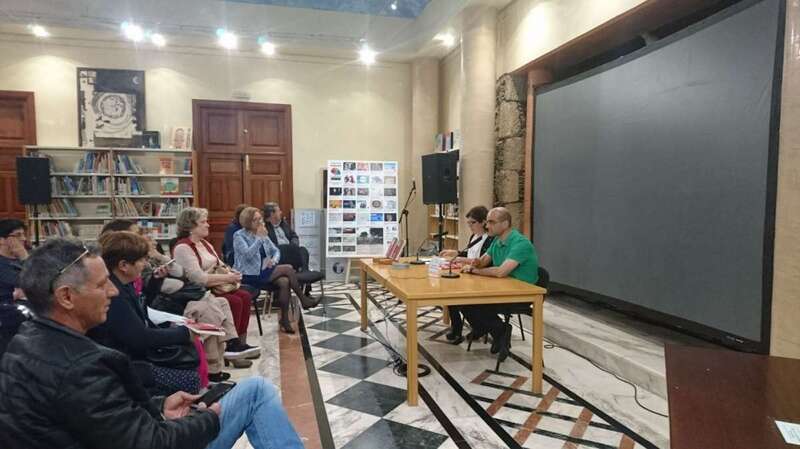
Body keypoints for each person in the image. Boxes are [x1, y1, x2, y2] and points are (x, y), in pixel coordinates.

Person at [0, 238, 304, 449]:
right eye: (102, 285)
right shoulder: (80, 368)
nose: (112, 292)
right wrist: (209, 418)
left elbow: (102, 421)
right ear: (66, 296)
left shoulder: (24, 343)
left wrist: (158, 407)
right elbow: (154, 443)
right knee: (256, 391)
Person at [88, 231, 201, 393]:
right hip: (124, 365)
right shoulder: (115, 295)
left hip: (131, 357)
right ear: (124, 265)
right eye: (141, 260)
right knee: (190, 379)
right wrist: (184, 333)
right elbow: (140, 337)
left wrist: (155, 282)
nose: (145, 264)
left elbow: (141, 311)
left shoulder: (124, 285)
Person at [173, 208, 258, 356]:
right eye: (203, 222)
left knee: (245, 296)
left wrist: (232, 272)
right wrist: (228, 278)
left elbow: (221, 264)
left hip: (218, 286)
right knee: (235, 301)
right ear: (190, 226)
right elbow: (199, 279)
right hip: (200, 292)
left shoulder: (205, 244)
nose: (208, 225)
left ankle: (240, 343)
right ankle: (229, 345)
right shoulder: (183, 248)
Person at [460, 207, 539, 361]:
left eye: (491, 222)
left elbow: (501, 272)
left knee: (473, 302)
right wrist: (476, 263)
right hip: (502, 289)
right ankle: (500, 332)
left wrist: (475, 271)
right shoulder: (497, 241)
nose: (487, 226)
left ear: (505, 224)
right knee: (463, 300)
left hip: (521, 294)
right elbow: (484, 261)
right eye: (487, 222)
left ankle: (498, 331)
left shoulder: (521, 243)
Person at [233, 207, 319, 334]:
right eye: (256, 219)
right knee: (288, 268)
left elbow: (276, 250)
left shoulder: (261, 232)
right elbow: (247, 255)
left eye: (260, 219)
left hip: (264, 270)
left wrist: (274, 260)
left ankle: (284, 320)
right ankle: (303, 300)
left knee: (284, 282)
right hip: (248, 274)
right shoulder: (239, 235)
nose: (260, 222)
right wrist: (259, 239)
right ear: (248, 221)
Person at [438, 206, 494, 345]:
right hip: (470, 274)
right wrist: (455, 253)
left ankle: (478, 327)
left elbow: (481, 261)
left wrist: (459, 259)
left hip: (483, 277)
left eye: (473, 223)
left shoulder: (490, 239)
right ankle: (457, 327)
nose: (470, 226)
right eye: (468, 223)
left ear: (483, 222)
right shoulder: (474, 236)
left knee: (459, 298)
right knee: (449, 292)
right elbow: (469, 254)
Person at [0, 219, 28, 304]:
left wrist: (24, 256)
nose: (24, 238)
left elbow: (43, 282)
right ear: (1, 240)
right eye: (18, 235)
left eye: (23, 234)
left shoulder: (28, 256)